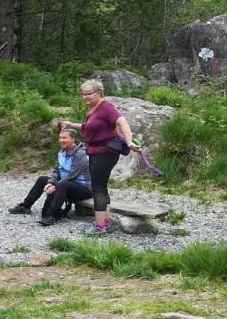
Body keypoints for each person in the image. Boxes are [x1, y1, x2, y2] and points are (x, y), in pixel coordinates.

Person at [60, 79, 139, 236]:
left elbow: (122, 122)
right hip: (96, 152)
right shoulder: (93, 109)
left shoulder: (106, 107)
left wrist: (129, 142)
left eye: (89, 94)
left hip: (105, 152)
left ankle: (100, 227)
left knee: (97, 188)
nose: (85, 97)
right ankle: (106, 221)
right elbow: (87, 128)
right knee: (101, 186)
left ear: (99, 93)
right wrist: (71, 124)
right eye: (83, 94)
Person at [7, 127, 92, 226]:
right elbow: (57, 171)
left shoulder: (80, 154)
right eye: (60, 138)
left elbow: (72, 175)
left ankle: (51, 215)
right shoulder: (62, 152)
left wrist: (55, 185)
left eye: (65, 138)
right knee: (42, 179)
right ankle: (25, 207)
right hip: (66, 185)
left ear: (73, 139)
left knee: (62, 185)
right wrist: (51, 182)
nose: (61, 140)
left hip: (84, 188)